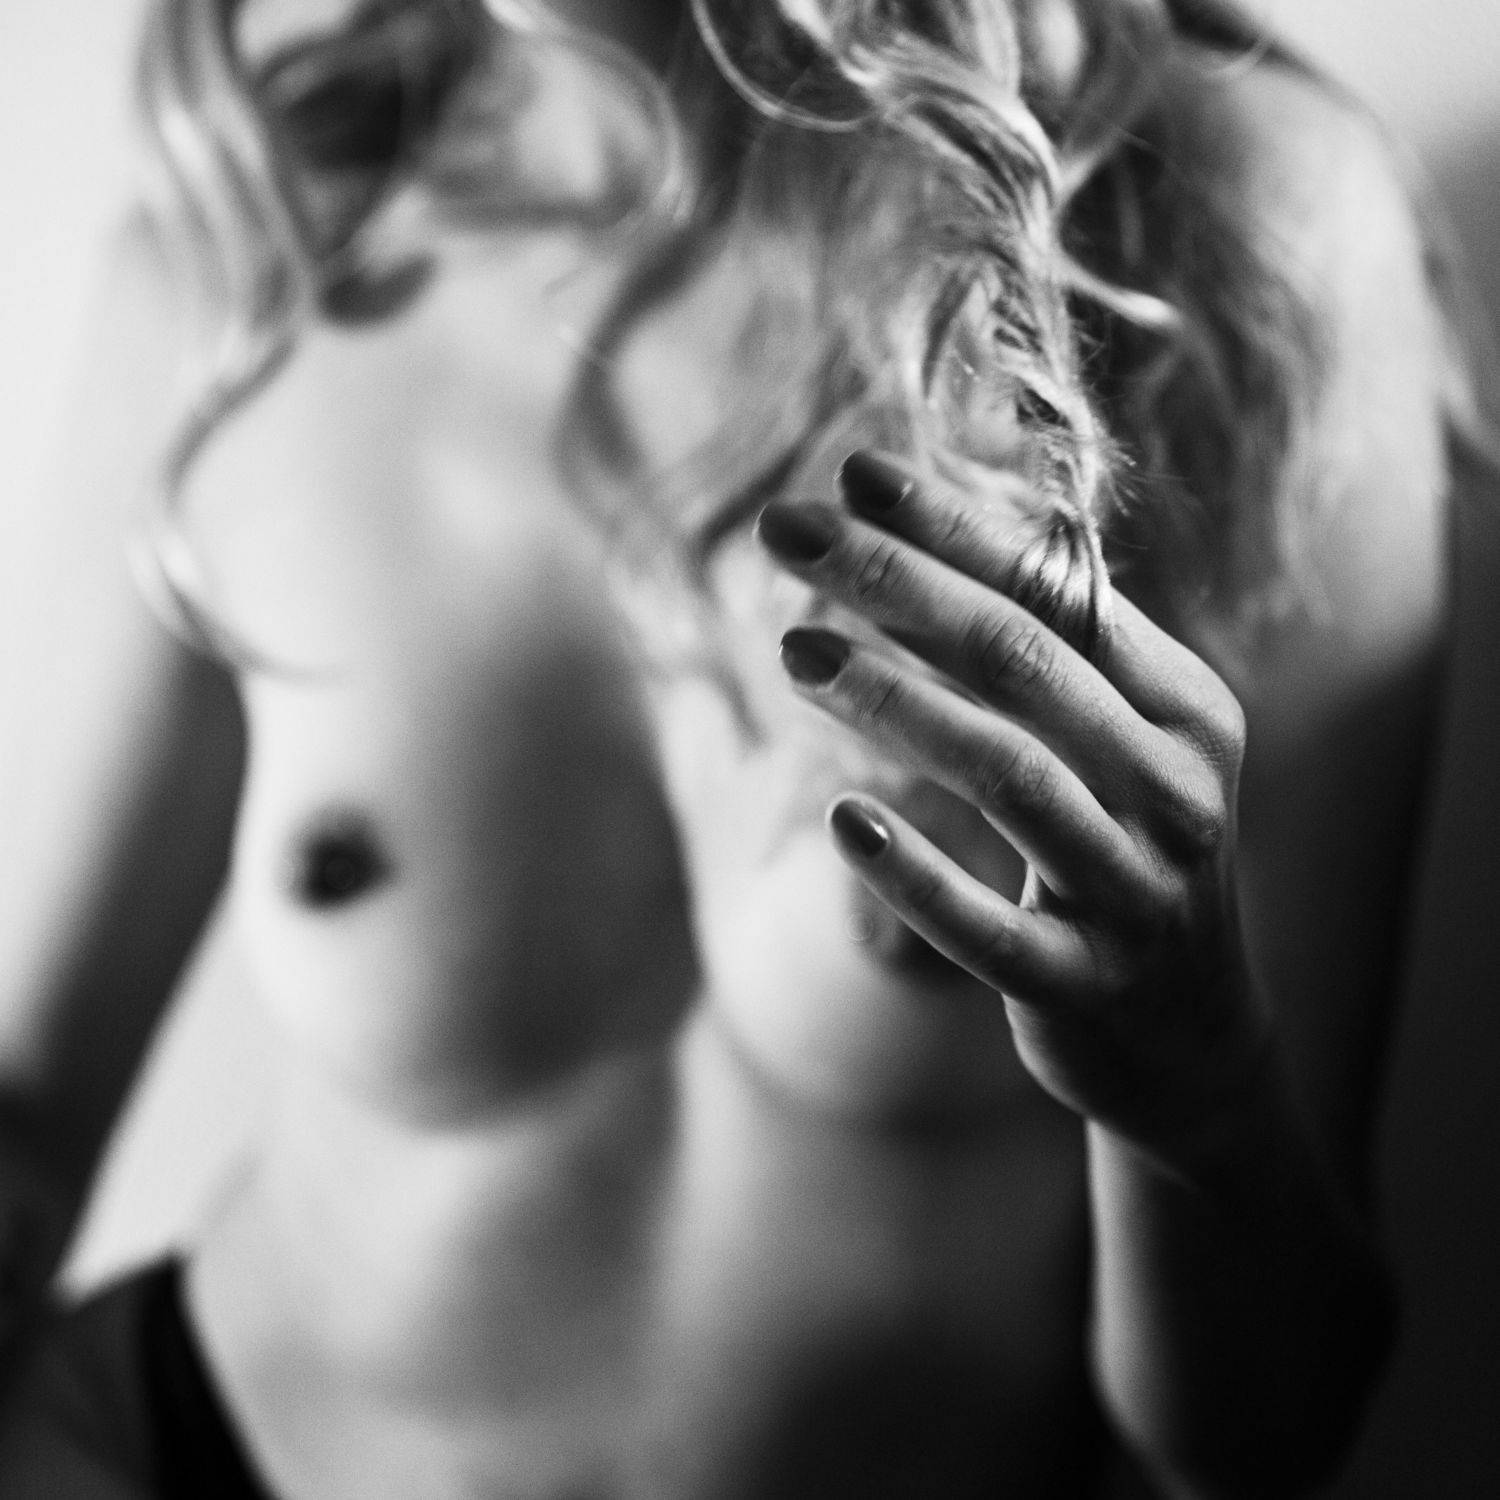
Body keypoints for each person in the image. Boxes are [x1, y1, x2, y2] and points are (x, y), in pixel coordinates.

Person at [0, 0, 1482, 1493]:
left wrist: (1197, 1091)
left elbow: (1264, 1447)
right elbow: (25, 1123)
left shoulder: (1208, 237)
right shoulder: (255, 253)